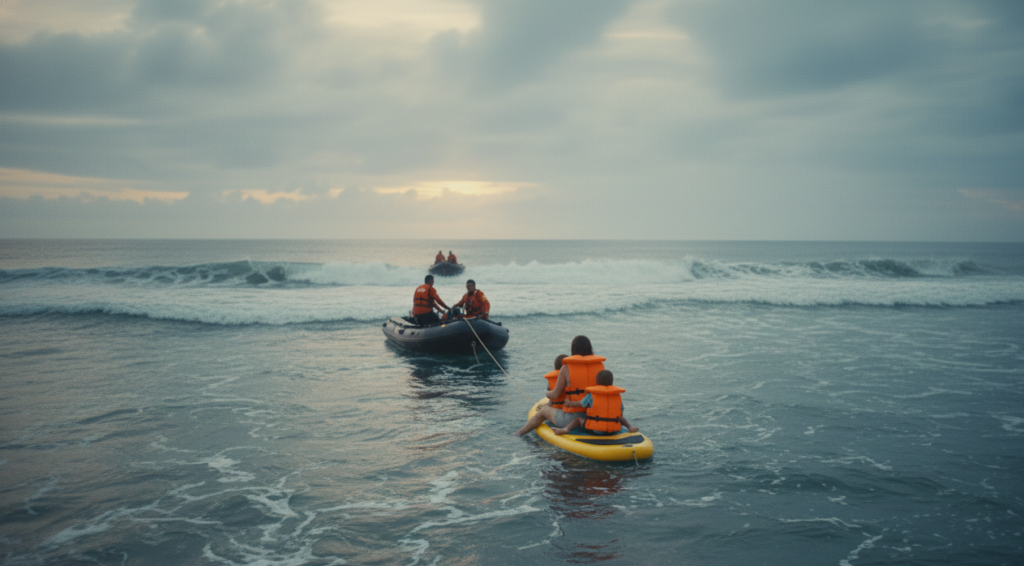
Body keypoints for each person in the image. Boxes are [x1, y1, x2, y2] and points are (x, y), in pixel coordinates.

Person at [514, 336, 600, 436]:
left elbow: (555, 394)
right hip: (594, 417)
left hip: (571, 419)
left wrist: (547, 393)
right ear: (590, 348)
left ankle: (519, 433)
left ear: (573, 350)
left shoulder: (566, 368)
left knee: (544, 410)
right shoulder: (599, 366)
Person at [552, 370, 638, 435]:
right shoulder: (616, 395)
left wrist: (569, 403)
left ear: (597, 382)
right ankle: (630, 427)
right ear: (612, 382)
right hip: (613, 429)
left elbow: (580, 404)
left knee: (578, 419)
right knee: (619, 417)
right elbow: (621, 414)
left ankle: (565, 429)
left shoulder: (591, 395)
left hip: (597, 430)